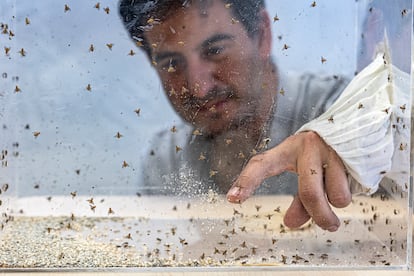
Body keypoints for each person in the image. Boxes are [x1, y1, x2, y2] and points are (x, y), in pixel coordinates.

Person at [118, 0, 410, 232]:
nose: (199, 87)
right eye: (171, 63)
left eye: (215, 49)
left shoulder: (336, 108)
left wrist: (351, 139)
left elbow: (396, 124)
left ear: (262, 35)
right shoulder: (165, 160)